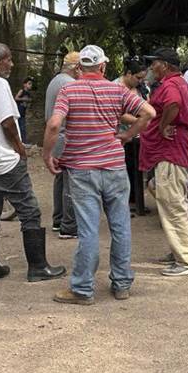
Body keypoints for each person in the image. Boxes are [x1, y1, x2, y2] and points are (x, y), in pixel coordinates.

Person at [44, 45, 155, 304]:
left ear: (80, 67)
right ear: (103, 66)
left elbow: (54, 124)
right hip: (114, 167)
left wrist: (47, 154)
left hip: (82, 169)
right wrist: (127, 135)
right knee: (121, 227)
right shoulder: (117, 90)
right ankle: (122, 284)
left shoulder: (69, 90)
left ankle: (83, 289)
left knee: (89, 229)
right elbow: (149, 113)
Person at [0, 43, 65, 283]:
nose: (11, 64)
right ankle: (38, 267)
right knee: (30, 211)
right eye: (9, 60)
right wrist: (20, 148)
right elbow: (8, 122)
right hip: (3, 159)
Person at [140, 47, 188, 277]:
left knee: (172, 204)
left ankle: (187, 261)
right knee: (174, 202)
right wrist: (185, 123)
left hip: (170, 152)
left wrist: (166, 125)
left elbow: (173, 104)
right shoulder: (181, 83)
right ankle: (180, 251)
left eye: (154, 63)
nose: (151, 67)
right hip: (177, 150)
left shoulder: (170, 85)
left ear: (164, 65)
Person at [46, 51, 81, 238]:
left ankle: (58, 219)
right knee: (71, 182)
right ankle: (68, 225)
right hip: (65, 136)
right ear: (77, 68)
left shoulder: (55, 81)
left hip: (55, 138)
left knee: (60, 180)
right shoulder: (70, 84)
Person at [115, 57, 150, 214]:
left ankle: (137, 200)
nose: (140, 81)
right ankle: (124, 204)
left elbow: (147, 106)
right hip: (122, 136)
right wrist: (140, 121)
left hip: (139, 136)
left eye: (142, 78)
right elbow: (119, 114)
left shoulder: (141, 88)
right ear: (129, 73)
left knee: (137, 169)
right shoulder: (115, 86)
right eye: (138, 77)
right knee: (123, 170)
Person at [14, 77, 35, 143]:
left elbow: (29, 101)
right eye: (29, 83)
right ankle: (23, 141)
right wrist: (23, 99)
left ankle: (23, 141)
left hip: (23, 112)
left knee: (22, 127)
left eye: (31, 84)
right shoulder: (22, 91)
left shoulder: (28, 93)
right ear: (24, 84)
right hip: (18, 111)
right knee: (21, 127)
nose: (31, 85)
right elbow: (16, 98)